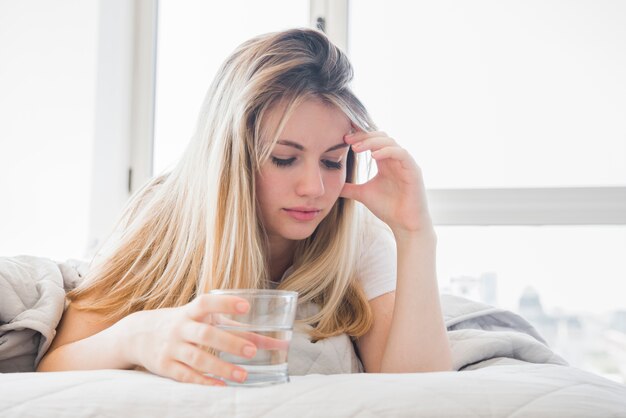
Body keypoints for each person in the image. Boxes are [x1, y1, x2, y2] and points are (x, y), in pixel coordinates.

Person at [37, 27, 452, 385]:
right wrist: (136, 335)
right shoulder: (163, 219)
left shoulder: (356, 237)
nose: (314, 187)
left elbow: (418, 390)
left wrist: (415, 234)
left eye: (332, 161)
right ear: (230, 157)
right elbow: (52, 368)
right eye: (283, 158)